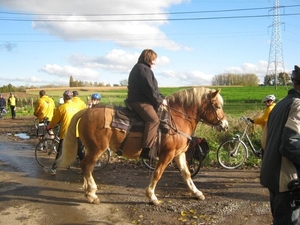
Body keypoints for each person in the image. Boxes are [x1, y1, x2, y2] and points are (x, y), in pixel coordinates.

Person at [260, 65, 300, 224]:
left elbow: (264, 140)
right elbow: (290, 143)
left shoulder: (279, 105)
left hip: (272, 174)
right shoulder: (298, 105)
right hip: (288, 180)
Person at [125, 49, 167, 159]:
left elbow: (154, 89)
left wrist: (162, 97)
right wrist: (159, 100)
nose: (155, 62)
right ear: (148, 58)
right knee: (153, 120)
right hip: (140, 101)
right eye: (153, 59)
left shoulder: (142, 68)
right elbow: (149, 90)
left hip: (142, 100)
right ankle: (146, 150)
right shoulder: (142, 69)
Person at [44, 90, 83, 175]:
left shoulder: (62, 107)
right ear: (72, 97)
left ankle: (53, 169)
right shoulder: (77, 106)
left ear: (64, 97)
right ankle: (86, 168)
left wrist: (49, 127)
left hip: (66, 132)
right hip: (76, 131)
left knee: (60, 151)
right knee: (80, 151)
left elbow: (54, 120)